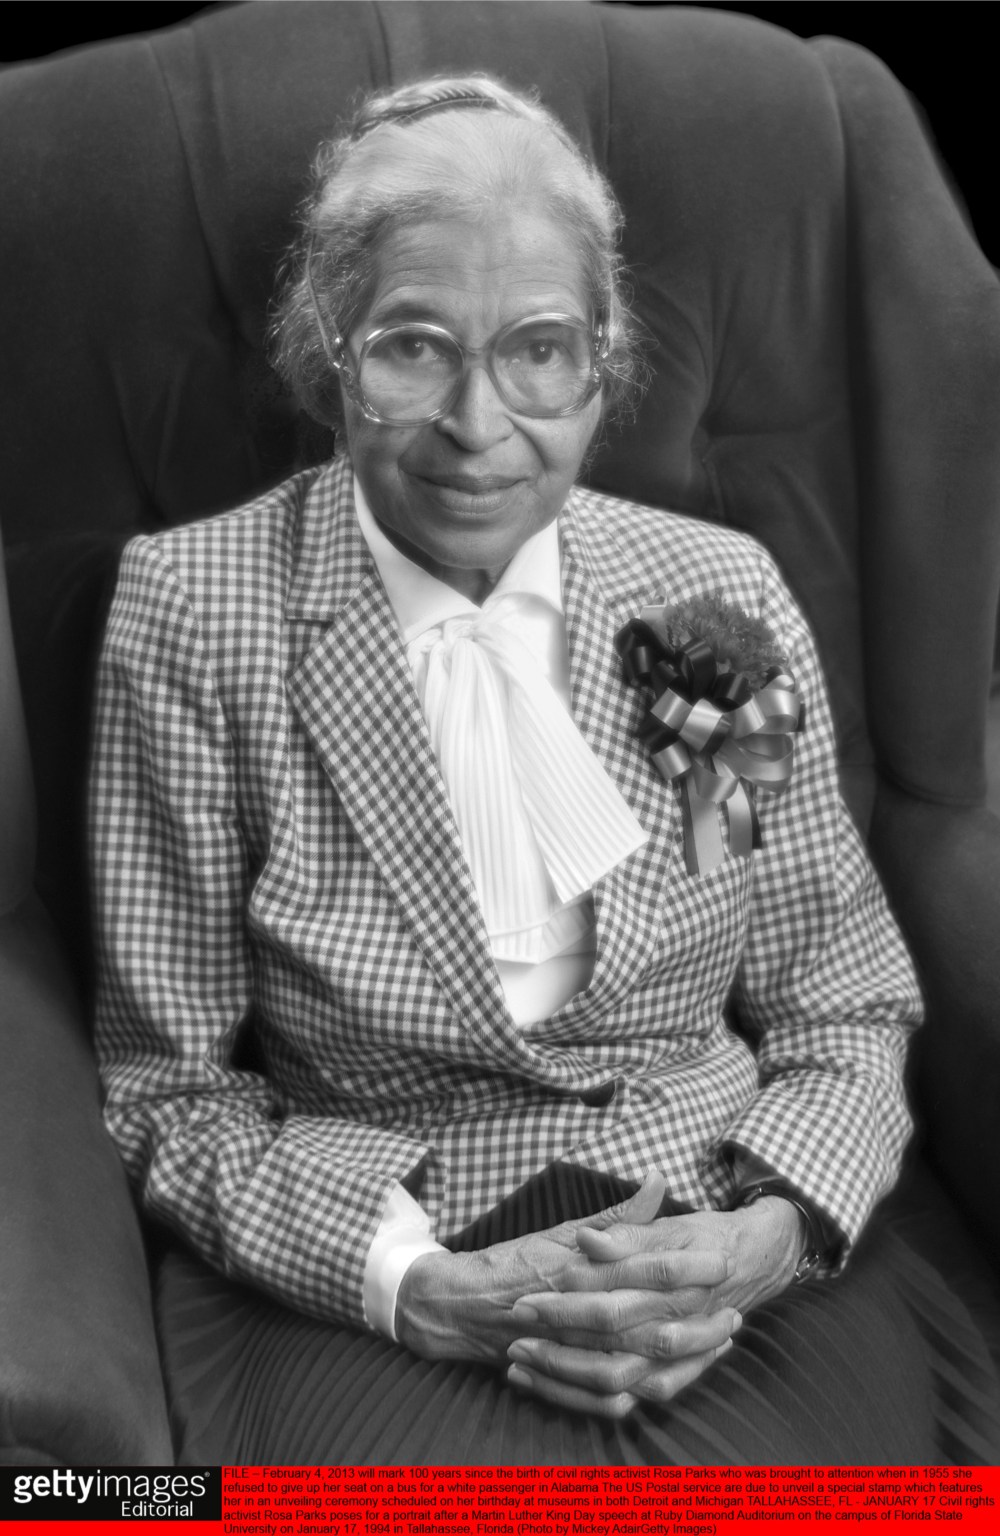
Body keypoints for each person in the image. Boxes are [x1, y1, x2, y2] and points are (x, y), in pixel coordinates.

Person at [88, 74, 1000, 1464]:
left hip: (712, 1221)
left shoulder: (718, 593)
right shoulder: (192, 606)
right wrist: (415, 1285)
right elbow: (169, 1090)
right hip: (388, 1248)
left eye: (537, 350)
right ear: (325, 352)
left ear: (602, 362)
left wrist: (763, 1232)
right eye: (410, 348)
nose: (477, 422)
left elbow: (844, 1002)